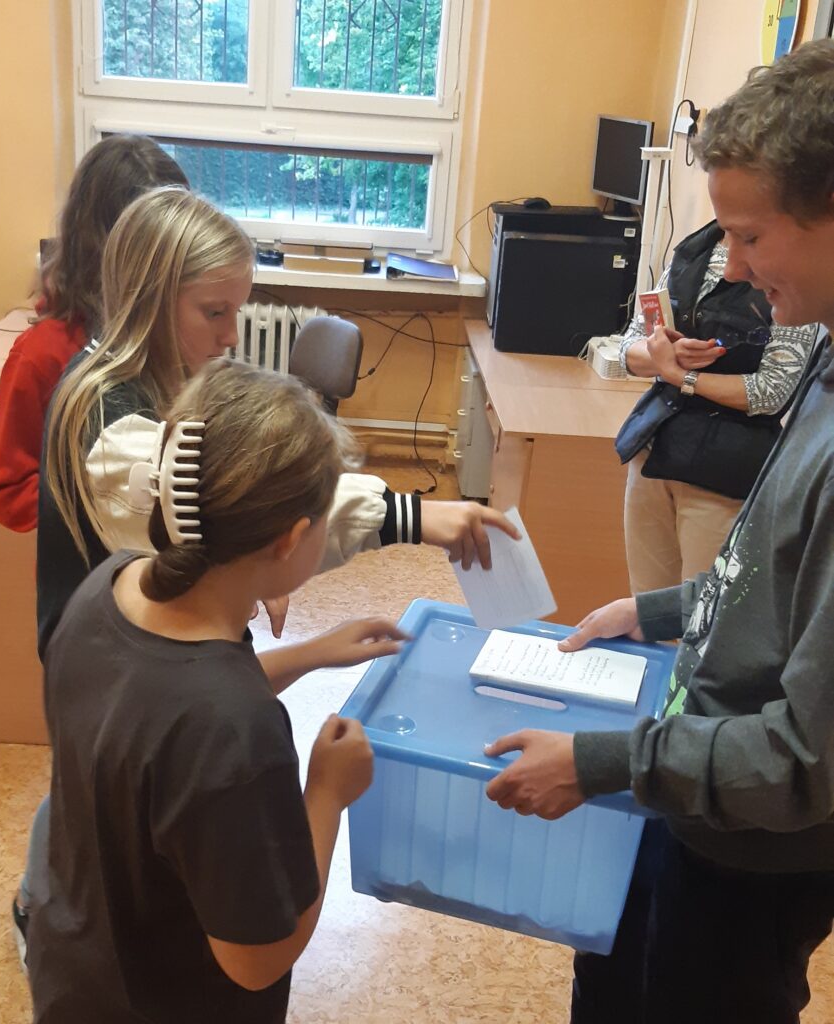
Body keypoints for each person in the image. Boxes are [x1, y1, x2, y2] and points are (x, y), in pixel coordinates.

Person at [15, 185, 518, 955]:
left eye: (237, 311)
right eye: (213, 312)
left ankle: (69, 914)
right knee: (107, 815)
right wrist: (405, 518)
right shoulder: (109, 413)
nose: (230, 335)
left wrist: (279, 612)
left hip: (111, 643)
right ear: (150, 299)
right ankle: (59, 911)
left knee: (107, 817)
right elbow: (234, 496)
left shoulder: (145, 378)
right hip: (107, 653)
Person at [484, 39, 834, 1024]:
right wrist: (662, 610)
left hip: (752, 850)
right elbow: (773, 573)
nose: (734, 267)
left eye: (750, 235)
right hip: (690, 791)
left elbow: (804, 761)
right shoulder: (824, 359)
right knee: (615, 980)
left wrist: (599, 762)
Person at [27, 357, 407, 1023]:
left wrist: (310, 654)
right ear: (292, 540)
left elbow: (159, 709)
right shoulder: (236, 731)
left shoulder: (106, 588)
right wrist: (327, 792)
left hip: (77, 979)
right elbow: (256, 960)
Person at [0, 134, 188, 532]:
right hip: (95, 557)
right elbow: (7, 489)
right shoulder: (43, 354)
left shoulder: (173, 335)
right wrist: (105, 504)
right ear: (104, 246)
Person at [617, 222, 816, 593]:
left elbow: (771, 392)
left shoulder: (788, 268)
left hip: (722, 472)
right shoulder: (694, 249)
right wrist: (665, 356)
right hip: (652, 453)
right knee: (644, 605)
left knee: (701, 610)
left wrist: (681, 377)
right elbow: (629, 347)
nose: (734, 267)